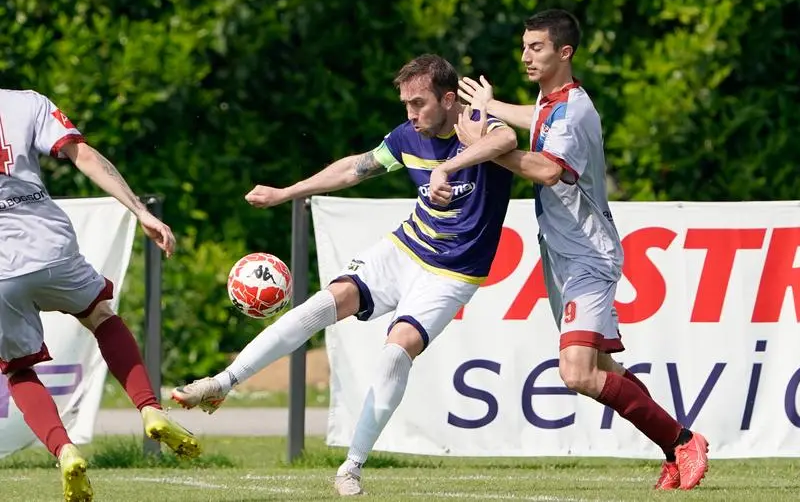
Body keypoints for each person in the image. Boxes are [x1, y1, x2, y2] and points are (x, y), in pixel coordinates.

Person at [171, 54, 518, 496]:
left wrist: (448, 166)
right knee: (324, 302)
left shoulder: (475, 125)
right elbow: (355, 168)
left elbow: (506, 138)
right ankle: (223, 382)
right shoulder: (407, 136)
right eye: (405, 105)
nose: (411, 115)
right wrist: (287, 192)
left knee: (396, 353)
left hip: (453, 273)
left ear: (449, 99)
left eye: (419, 104)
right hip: (405, 248)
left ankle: (351, 466)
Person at [444, 9, 710, 490]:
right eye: (524, 46)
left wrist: (482, 142)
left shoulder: (572, 111)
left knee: (577, 372)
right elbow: (535, 119)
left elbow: (547, 169)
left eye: (537, 47)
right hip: (563, 256)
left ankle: (684, 441)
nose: (526, 55)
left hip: (589, 255)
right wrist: (495, 105)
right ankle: (673, 448)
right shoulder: (554, 102)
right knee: (606, 369)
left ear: (564, 52)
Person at [0, 89, 202, 502]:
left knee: (18, 369)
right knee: (102, 317)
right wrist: (140, 211)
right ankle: (149, 409)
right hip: (50, 247)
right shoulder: (25, 102)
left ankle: (65, 451)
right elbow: (85, 156)